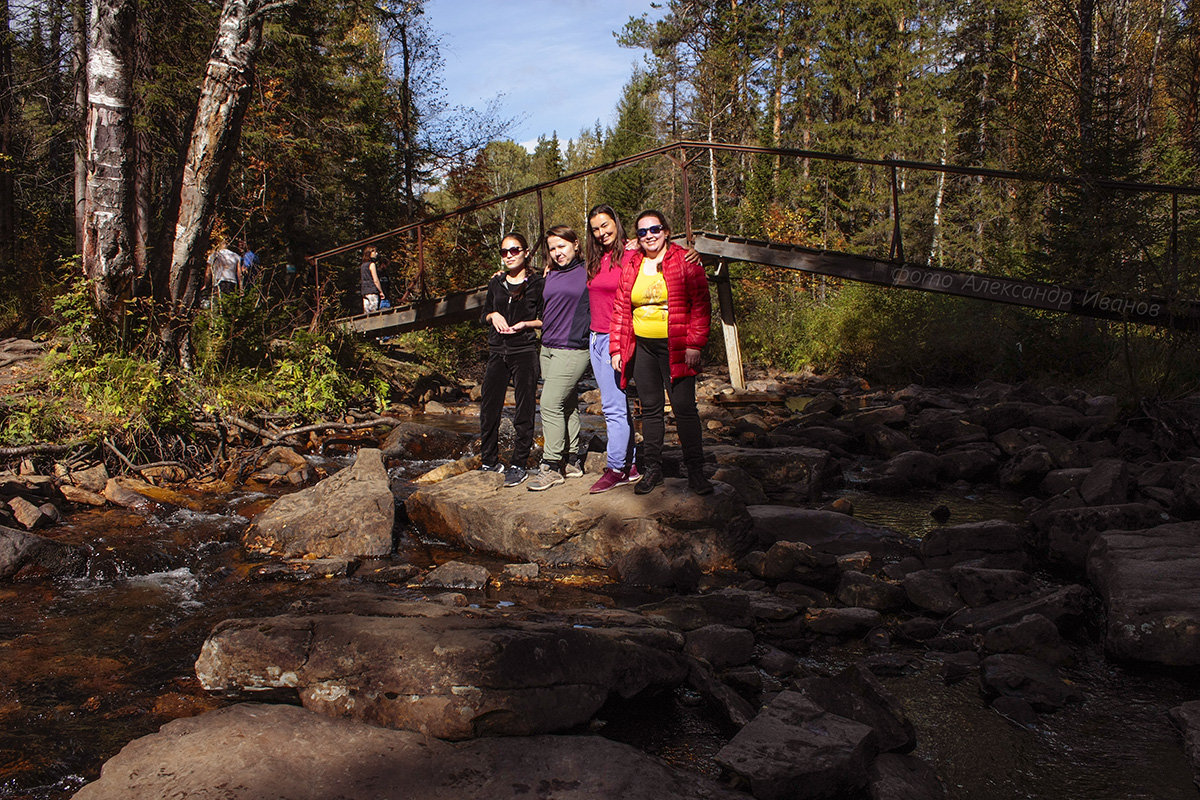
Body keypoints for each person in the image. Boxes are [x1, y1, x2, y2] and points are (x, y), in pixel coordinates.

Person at [610, 210, 713, 495]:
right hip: (642, 346)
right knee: (651, 410)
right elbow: (620, 308)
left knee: (684, 410)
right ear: (637, 238)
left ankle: (696, 472)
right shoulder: (632, 263)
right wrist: (617, 348)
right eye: (642, 232)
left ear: (666, 231)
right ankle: (653, 470)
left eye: (654, 229)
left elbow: (702, 304)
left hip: (677, 345)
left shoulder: (685, 260)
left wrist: (695, 344)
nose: (649, 236)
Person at [581, 204, 642, 493]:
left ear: (616, 223)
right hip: (595, 337)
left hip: (616, 337)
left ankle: (616, 468)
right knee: (617, 404)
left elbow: (665, 252)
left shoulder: (631, 254)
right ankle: (629, 466)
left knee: (613, 407)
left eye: (606, 225)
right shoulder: (596, 260)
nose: (602, 232)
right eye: (596, 228)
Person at [526, 225, 591, 492]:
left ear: (576, 244)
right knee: (567, 403)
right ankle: (573, 460)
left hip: (574, 347)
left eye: (562, 246)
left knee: (550, 403)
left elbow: (621, 255)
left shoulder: (590, 270)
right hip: (548, 347)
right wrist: (501, 275)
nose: (557, 253)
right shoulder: (550, 273)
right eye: (552, 249)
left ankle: (551, 465)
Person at [479, 233, 544, 488]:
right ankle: (489, 461)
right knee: (489, 407)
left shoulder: (538, 284)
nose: (509, 255)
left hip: (524, 352)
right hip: (497, 351)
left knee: (524, 409)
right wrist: (492, 315)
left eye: (514, 250)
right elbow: (483, 314)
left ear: (526, 252)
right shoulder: (496, 283)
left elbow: (545, 318)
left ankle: (519, 463)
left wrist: (526, 324)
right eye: (504, 251)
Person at [360, 246, 384, 313]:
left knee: (366, 313)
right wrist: (381, 291)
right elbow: (375, 280)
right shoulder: (372, 265)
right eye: (374, 251)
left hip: (364, 292)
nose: (376, 253)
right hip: (372, 291)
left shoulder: (362, 266)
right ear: (369, 253)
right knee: (373, 312)